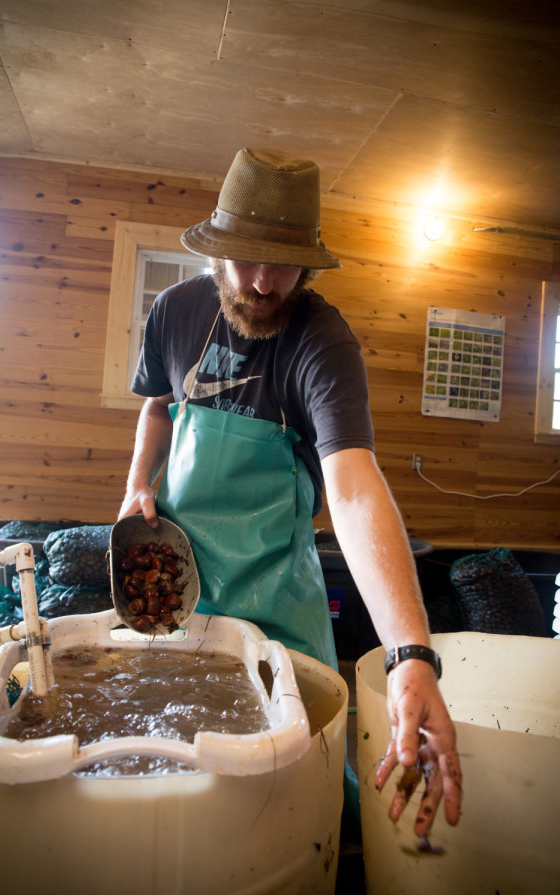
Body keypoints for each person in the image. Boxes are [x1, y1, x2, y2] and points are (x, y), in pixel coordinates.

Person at [118, 147, 461, 837]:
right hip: (180, 594)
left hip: (279, 599)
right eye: (246, 259)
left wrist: (410, 652)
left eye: (283, 264)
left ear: (309, 263)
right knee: (173, 776)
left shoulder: (322, 341)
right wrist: (136, 487)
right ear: (216, 250)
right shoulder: (174, 311)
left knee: (294, 785)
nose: (264, 282)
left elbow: (355, 487)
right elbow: (158, 404)